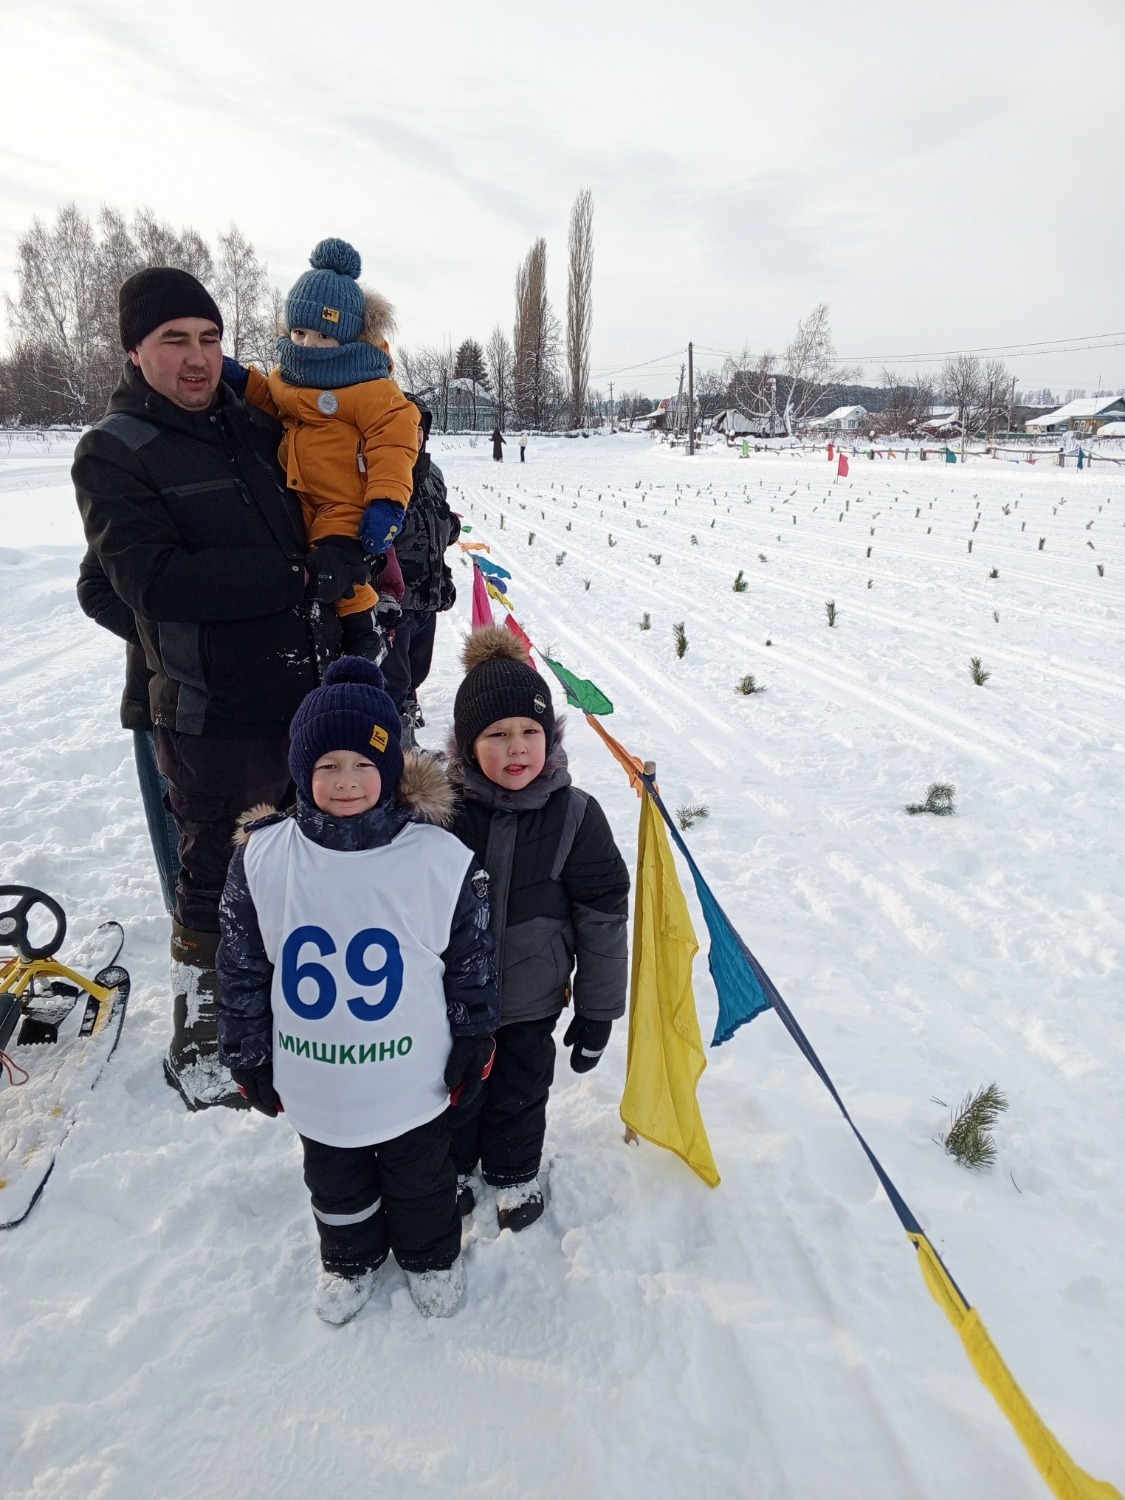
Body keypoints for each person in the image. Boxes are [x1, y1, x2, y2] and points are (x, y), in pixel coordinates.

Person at [73, 266, 363, 1112]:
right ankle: (201, 1038)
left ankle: (285, 997)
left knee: (301, 848)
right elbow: (142, 582)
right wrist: (194, 646)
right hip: (213, 713)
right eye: (174, 341)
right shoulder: (116, 450)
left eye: (209, 338)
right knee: (215, 868)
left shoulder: (254, 425)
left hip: (304, 689)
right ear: (135, 350)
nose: (197, 358)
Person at [216, 658, 499, 1324]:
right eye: (327, 766)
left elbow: (471, 959)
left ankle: (430, 1256)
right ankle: (349, 1259)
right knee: (334, 1181)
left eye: (364, 764)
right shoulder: (264, 857)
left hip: (410, 1077)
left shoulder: (436, 857)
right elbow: (242, 963)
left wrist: (474, 1032)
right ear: (300, 770)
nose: (345, 781)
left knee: (422, 1178)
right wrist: (245, 1050)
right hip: (315, 1078)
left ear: (391, 770)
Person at [447, 628, 630, 1231]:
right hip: (450, 998)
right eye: (496, 735)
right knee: (453, 1090)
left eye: (530, 731)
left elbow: (603, 916)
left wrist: (598, 1010)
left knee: (521, 1092)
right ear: (467, 745)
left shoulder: (576, 814)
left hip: (531, 998)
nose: (516, 748)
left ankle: (514, 1173)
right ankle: (452, 1168)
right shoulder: (439, 812)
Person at [228, 238, 418, 662]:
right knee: (306, 569)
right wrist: (241, 380)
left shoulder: (369, 387)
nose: (307, 344)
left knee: (337, 569)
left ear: (348, 336)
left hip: (346, 501)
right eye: (299, 332)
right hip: (299, 496)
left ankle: (364, 633)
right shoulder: (287, 377)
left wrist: (388, 501)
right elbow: (270, 399)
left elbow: (394, 438)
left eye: (323, 334)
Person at [76, 547, 180, 916]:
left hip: (260, 699)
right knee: (175, 830)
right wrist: (166, 640)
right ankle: (187, 931)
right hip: (160, 699)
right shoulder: (135, 510)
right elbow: (95, 587)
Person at [379, 395, 460, 742]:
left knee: (416, 672)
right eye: (408, 425)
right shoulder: (381, 471)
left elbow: (443, 523)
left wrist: (449, 526)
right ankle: (393, 750)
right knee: (392, 678)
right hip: (396, 599)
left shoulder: (432, 474)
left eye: (421, 427)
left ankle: (407, 728)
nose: (416, 434)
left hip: (429, 594)